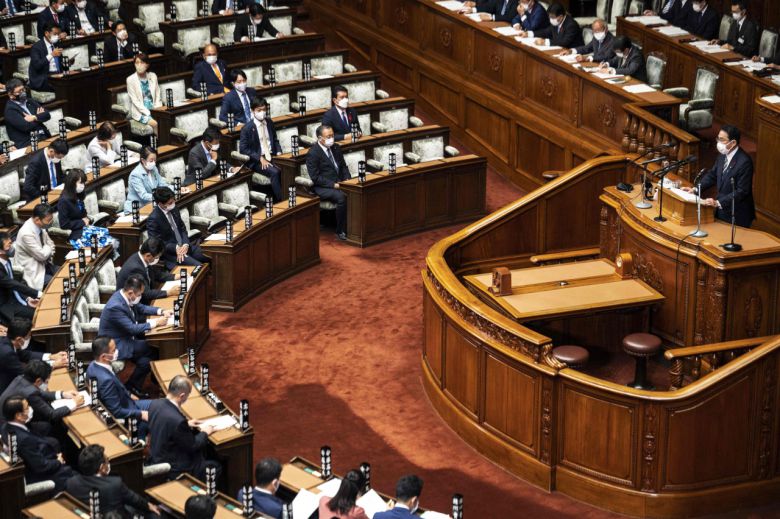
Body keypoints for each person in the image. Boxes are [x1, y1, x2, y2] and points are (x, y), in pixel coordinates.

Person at [97, 275, 169, 398]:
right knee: (155, 348)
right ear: (131, 292)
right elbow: (132, 328)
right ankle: (155, 379)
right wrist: (157, 322)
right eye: (139, 294)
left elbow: (140, 307)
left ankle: (132, 386)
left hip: (125, 338)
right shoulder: (115, 306)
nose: (140, 297)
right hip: (115, 345)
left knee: (146, 361)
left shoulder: (124, 296)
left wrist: (161, 311)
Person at [148, 375, 220, 481]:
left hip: (157, 455)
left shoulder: (155, 404)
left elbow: (166, 423)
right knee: (215, 466)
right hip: (175, 467)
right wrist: (205, 432)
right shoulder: (178, 421)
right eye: (188, 394)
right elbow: (193, 445)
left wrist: (187, 423)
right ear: (182, 396)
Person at [682, 125, 755, 228]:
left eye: (722, 140)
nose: (718, 143)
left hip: (737, 213)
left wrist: (718, 202)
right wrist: (695, 189)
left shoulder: (744, 162)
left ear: (733, 143)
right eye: (718, 138)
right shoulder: (723, 155)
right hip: (722, 208)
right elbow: (713, 175)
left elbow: (742, 191)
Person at [1, 395, 75, 490]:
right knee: (75, 479)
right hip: (42, 475)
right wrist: (57, 461)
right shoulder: (24, 440)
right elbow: (41, 467)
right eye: (27, 407)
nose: (30, 408)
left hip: (37, 457)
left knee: (53, 440)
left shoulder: (5, 427)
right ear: (18, 416)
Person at [66, 444, 160, 517]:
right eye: (106, 461)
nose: (108, 463)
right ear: (102, 468)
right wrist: (149, 505)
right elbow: (135, 500)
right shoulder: (114, 484)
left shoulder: (71, 483)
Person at [86, 337, 153, 437]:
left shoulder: (93, 365)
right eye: (114, 350)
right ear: (104, 356)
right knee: (160, 414)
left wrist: (129, 394)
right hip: (128, 412)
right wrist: (140, 414)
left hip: (127, 400)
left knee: (161, 406)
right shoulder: (106, 381)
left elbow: (118, 385)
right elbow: (116, 412)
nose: (117, 351)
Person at [0, 360, 83, 432]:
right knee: (53, 426)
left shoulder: (20, 378)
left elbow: (40, 393)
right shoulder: (30, 393)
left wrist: (62, 394)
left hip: (6, 419)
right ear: (38, 380)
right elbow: (52, 415)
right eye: (47, 380)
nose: (47, 383)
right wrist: (74, 403)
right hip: (10, 428)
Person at [147, 187, 210, 268]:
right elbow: (157, 243)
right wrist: (176, 248)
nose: (173, 203)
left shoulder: (174, 209)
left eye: (173, 200)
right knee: (199, 267)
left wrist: (186, 244)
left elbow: (182, 229)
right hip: (172, 254)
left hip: (186, 246)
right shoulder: (153, 219)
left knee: (212, 255)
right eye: (170, 203)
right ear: (160, 204)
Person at [306, 125, 350, 240]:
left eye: (332, 135)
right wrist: (333, 185)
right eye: (328, 136)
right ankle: (340, 231)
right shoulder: (313, 153)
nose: (332, 138)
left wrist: (348, 180)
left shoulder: (336, 147)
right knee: (341, 197)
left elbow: (343, 167)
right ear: (320, 138)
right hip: (322, 187)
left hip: (339, 182)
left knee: (356, 191)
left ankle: (354, 225)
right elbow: (315, 177)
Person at [0, 319, 66, 392]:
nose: (29, 337)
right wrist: (53, 364)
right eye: (28, 336)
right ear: (19, 339)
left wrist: (51, 356)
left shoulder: (7, 341)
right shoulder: (7, 353)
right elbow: (25, 372)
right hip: (6, 389)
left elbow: (26, 355)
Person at [239, 97, 282, 201]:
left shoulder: (269, 122)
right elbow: (243, 149)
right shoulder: (247, 128)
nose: (262, 112)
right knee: (275, 172)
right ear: (253, 111)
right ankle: (281, 200)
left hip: (272, 154)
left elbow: (275, 140)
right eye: (259, 110)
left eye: (264, 109)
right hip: (257, 160)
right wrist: (259, 158)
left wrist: (280, 152)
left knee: (288, 168)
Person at [116, 237, 179, 305]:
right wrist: (169, 292)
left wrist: (175, 276)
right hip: (133, 305)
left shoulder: (141, 258)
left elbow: (157, 274)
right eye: (157, 257)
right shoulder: (135, 268)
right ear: (148, 255)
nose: (157, 259)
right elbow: (146, 293)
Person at [0, 234, 42, 325]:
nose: (12, 248)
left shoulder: (6, 261)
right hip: (5, 305)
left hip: (15, 299)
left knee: (40, 308)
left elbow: (15, 284)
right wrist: (38, 293)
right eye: (8, 245)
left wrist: (27, 299)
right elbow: (13, 284)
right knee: (38, 314)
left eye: (11, 243)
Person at [15, 204, 59, 290]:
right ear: (37, 219)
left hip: (46, 264)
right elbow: (42, 256)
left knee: (63, 273)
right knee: (57, 283)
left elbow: (51, 244)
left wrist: (47, 250)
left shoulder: (40, 225)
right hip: (33, 270)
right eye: (49, 220)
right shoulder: (26, 233)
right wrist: (48, 248)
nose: (50, 222)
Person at [4, 78, 52, 148]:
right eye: (19, 91)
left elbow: (47, 115)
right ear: (11, 95)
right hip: (27, 143)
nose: (23, 92)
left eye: (23, 89)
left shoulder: (30, 101)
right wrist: (39, 117)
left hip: (43, 136)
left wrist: (34, 117)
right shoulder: (10, 110)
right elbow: (26, 127)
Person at [124, 146, 170, 213]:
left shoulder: (154, 169)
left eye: (155, 160)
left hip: (151, 205)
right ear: (143, 160)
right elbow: (143, 195)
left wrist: (174, 189)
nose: (153, 163)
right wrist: (161, 197)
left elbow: (162, 184)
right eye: (151, 160)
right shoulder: (135, 174)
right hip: (136, 210)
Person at [518, 3, 583, 49]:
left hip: (572, 52)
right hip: (560, 50)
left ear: (560, 16)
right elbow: (546, 32)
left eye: (552, 17)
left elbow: (564, 41)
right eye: (549, 17)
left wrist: (545, 42)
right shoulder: (556, 22)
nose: (550, 19)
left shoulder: (571, 25)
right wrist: (529, 34)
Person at [126, 53, 161, 136]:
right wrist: (148, 112)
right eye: (137, 63)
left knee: (166, 121)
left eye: (142, 63)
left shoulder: (153, 76)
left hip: (155, 109)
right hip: (140, 112)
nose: (139, 65)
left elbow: (157, 95)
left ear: (147, 65)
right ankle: (160, 144)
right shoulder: (130, 79)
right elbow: (135, 101)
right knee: (155, 123)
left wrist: (158, 110)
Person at [29, 23, 69, 93]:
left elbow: (58, 64)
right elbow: (37, 65)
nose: (57, 36)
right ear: (47, 33)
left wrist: (68, 62)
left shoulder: (56, 44)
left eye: (58, 34)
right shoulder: (36, 47)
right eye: (55, 34)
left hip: (58, 75)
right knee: (63, 86)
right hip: (44, 78)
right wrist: (52, 55)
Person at [57, 169, 91, 241]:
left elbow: (83, 212)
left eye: (83, 183)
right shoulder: (64, 200)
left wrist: (86, 219)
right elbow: (64, 224)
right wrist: (82, 222)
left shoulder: (77, 194)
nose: (83, 186)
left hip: (84, 228)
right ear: (72, 182)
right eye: (80, 183)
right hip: (75, 233)